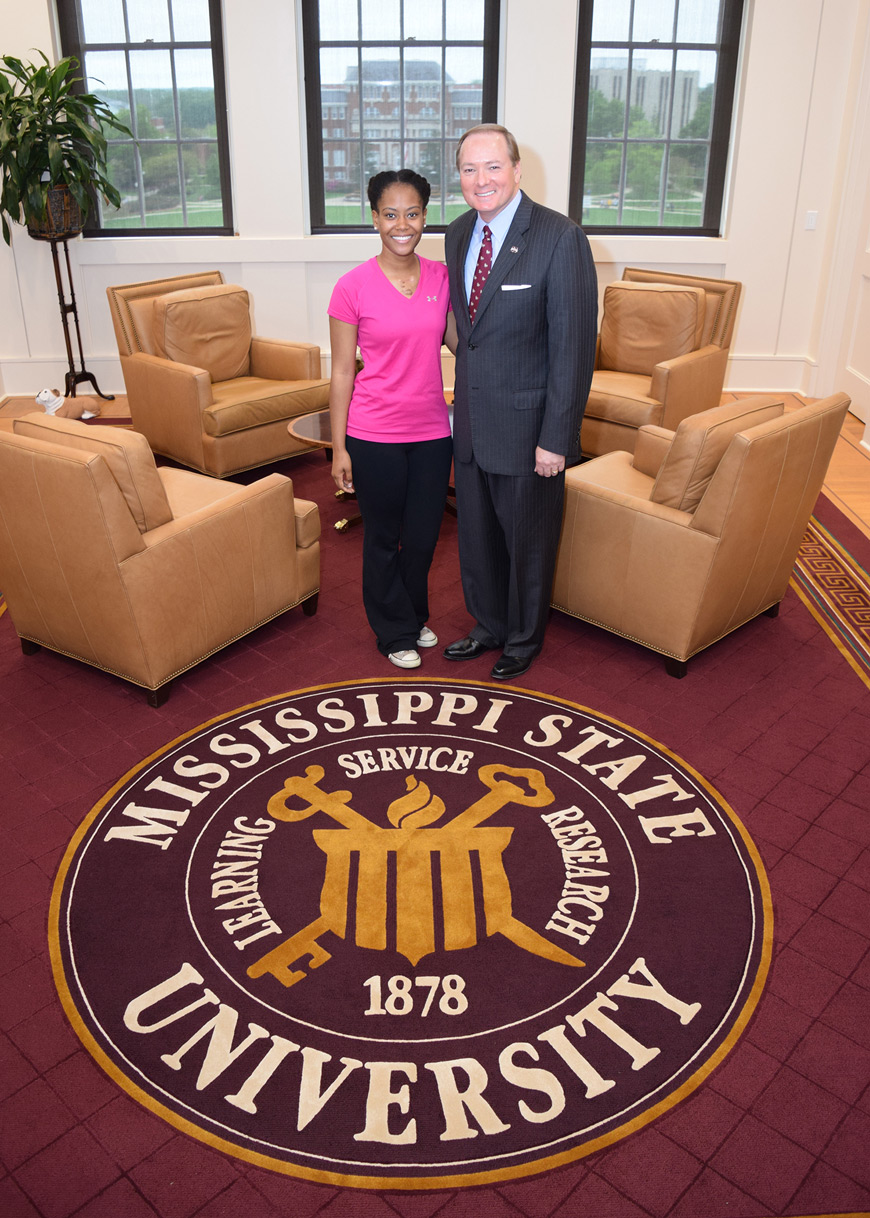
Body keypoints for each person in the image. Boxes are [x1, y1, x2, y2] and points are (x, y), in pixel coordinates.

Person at [442, 123, 597, 680]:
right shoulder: (458, 233)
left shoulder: (560, 238)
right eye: (468, 169)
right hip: (474, 424)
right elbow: (469, 333)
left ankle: (524, 639)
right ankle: (487, 625)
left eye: (492, 167)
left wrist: (556, 438)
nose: (481, 180)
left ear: (516, 169)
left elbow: (573, 351)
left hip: (532, 431)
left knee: (528, 544)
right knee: (478, 537)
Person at [328, 169, 456, 669]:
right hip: (373, 432)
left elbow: (460, 342)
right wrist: (339, 447)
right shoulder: (351, 287)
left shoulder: (442, 278)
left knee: (423, 536)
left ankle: (413, 612)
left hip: (431, 432)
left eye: (412, 213)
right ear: (374, 218)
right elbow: (341, 372)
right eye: (390, 214)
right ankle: (393, 630)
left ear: (425, 216)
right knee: (383, 536)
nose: (401, 224)